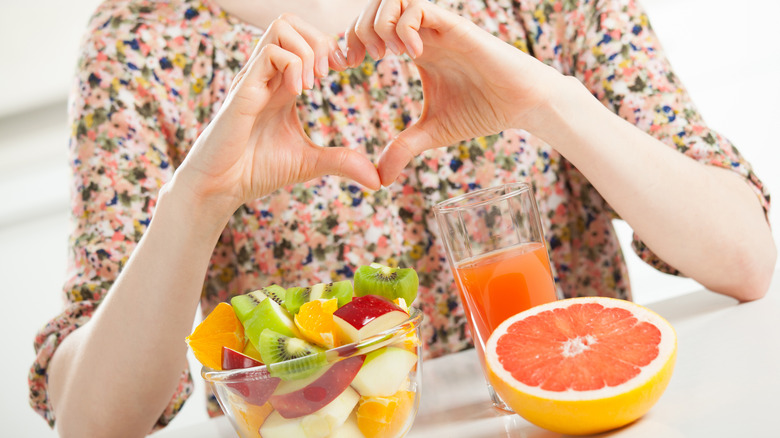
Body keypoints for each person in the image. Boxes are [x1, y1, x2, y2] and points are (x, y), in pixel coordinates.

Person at [29, 0, 774, 436]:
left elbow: (743, 255)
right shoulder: (139, 47)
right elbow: (94, 421)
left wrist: (548, 104)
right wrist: (197, 200)